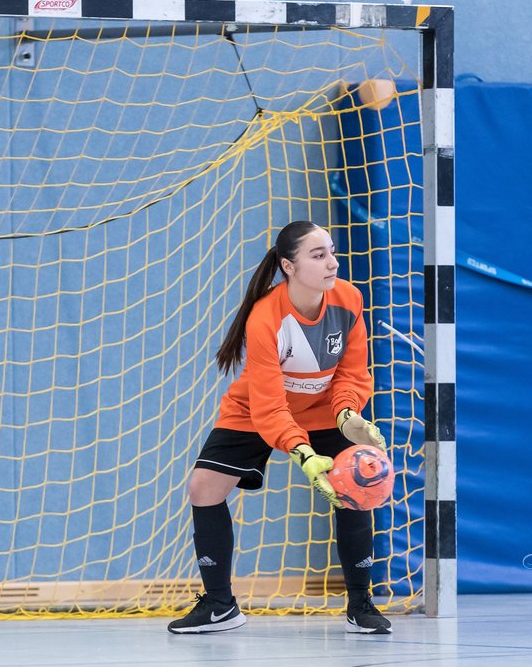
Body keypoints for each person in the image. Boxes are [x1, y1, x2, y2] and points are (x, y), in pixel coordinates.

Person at [168, 220, 392, 635]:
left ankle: (360, 603)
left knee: (356, 488)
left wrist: (347, 414)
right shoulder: (265, 317)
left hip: (325, 408)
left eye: (332, 252)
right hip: (257, 409)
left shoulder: (349, 299)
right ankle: (220, 605)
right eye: (318, 255)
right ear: (289, 266)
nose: (332, 262)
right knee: (203, 487)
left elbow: (352, 373)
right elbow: (269, 405)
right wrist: (303, 454)